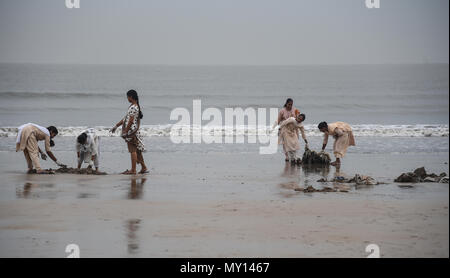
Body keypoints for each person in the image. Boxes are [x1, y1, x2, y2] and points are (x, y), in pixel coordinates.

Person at [111, 90, 149, 175]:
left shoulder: (133, 107)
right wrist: (116, 126)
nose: (127, 98)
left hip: (131, 132)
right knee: (138, 151)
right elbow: (126, 118)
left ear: (131, 97)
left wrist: (125, 131)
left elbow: (131, 121)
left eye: (127, 97)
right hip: (134, 131)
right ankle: (144, 167)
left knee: (132, 150)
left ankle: (133, 170)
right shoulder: (135, 106)